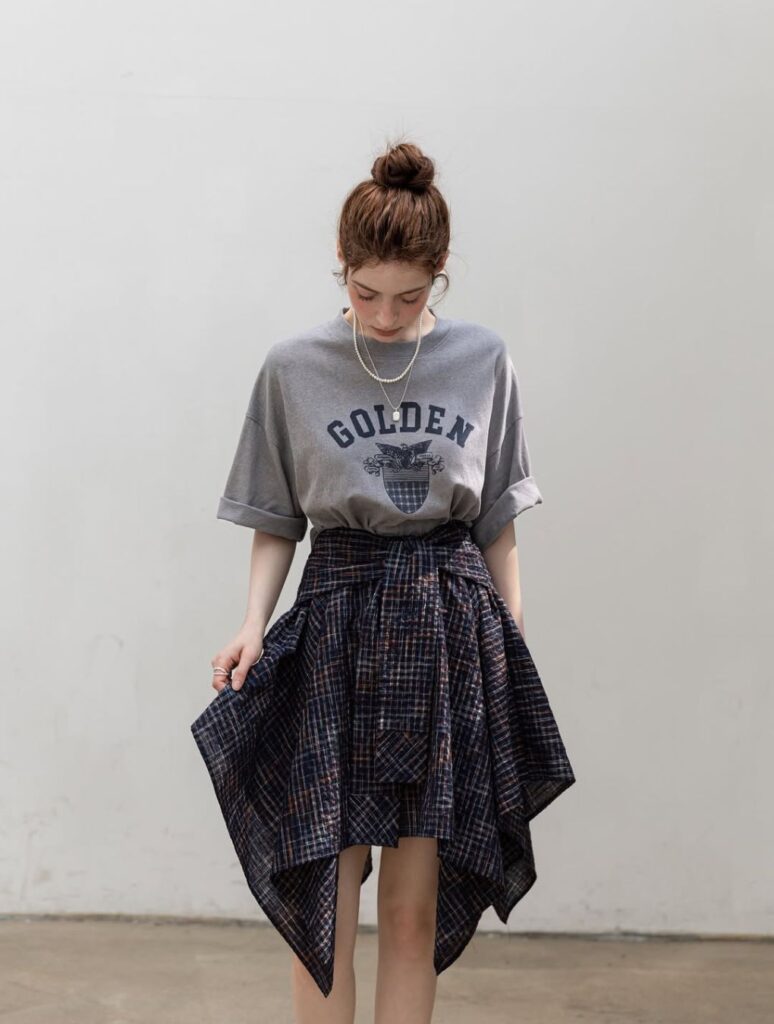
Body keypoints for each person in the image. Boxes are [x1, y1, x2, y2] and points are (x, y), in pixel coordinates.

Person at [190, 139, 576, 1024]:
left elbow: (498, 522)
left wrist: (509, 642)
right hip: (337, 622)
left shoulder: (483, 358)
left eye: (410, 295)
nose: (387, 314)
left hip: (447, 624)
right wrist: (251, 623)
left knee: (410, 912)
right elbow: (276, 516)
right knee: (322, 904)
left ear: (441, 271)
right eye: (366, 293)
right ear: (342, 264)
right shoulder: (294, 366)